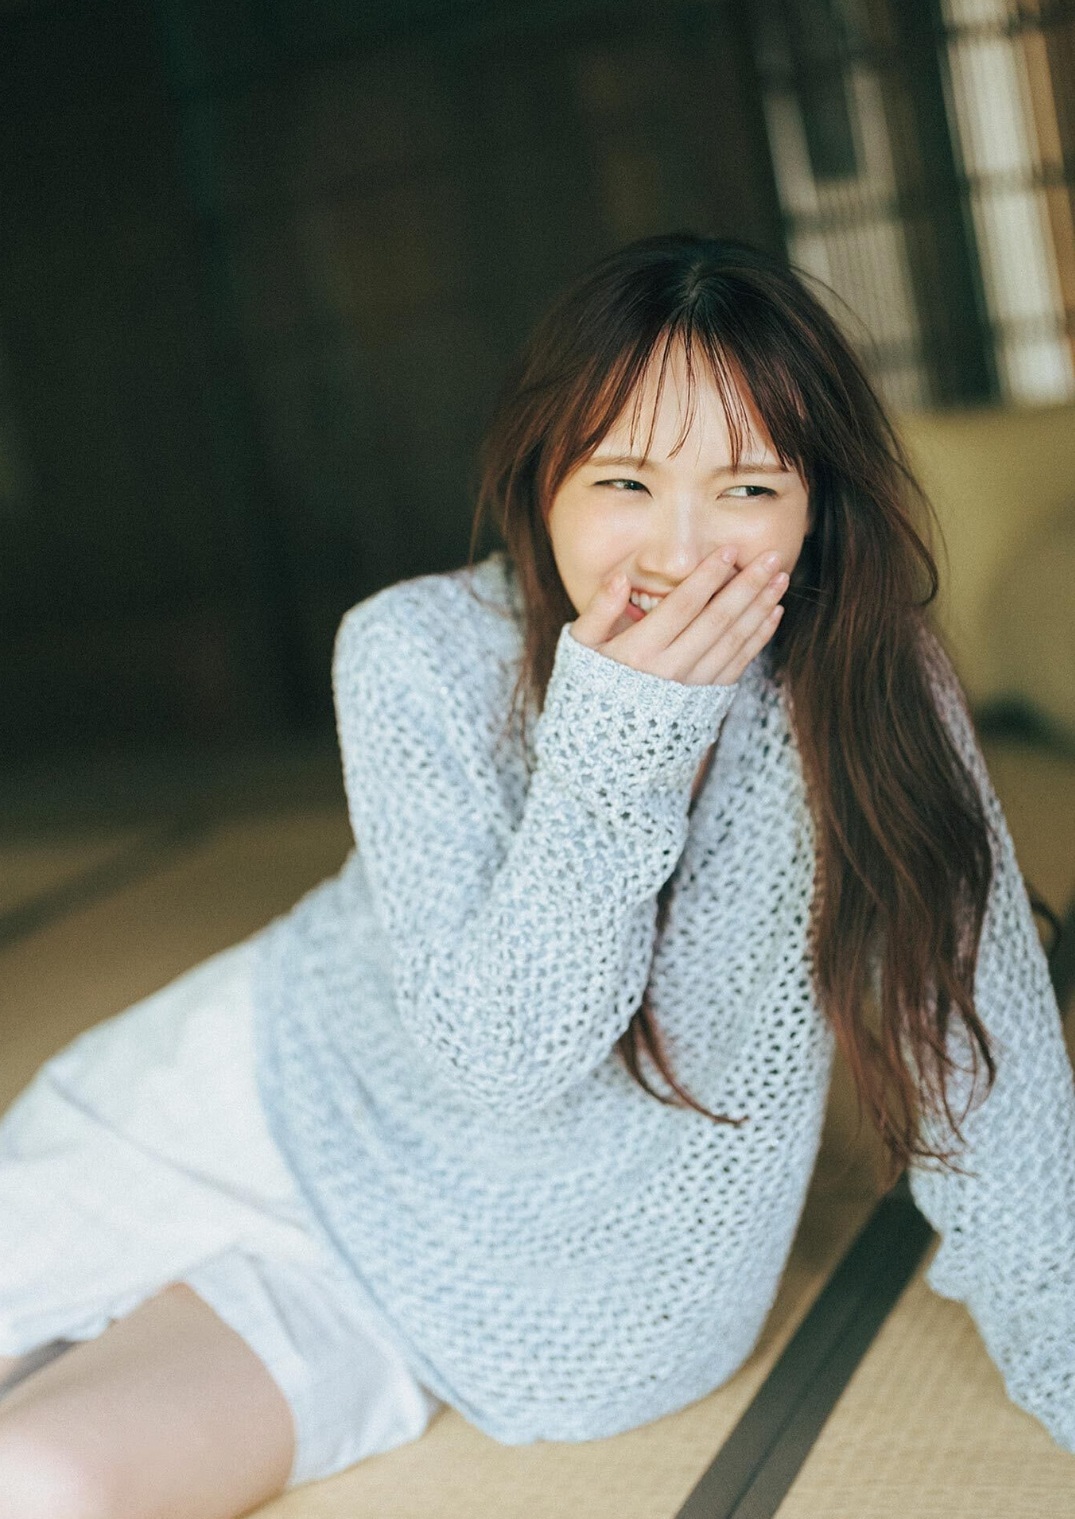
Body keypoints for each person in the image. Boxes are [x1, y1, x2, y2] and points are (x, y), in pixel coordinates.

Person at [1, 232, 1072, 1517]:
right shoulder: (417, 651)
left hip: (435, 1290)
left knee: (36, 1484)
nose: (680, 549)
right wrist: (625, 734)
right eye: (624, 479)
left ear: (816, 508)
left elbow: (983, 1071)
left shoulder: (869, 689)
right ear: (543, 477)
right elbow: (495, 1043)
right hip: (247, 1098)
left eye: (747, 487)